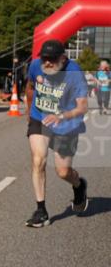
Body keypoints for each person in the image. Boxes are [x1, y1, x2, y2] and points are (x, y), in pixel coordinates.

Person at [23, 40, 89, 227]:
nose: (47, 63)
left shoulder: (74, 73)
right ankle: (41, 211)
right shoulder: (35, 66)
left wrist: (61, 116)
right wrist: (29, 112)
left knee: (63, 171)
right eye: (45, 58)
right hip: (40, 117)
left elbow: (82, 107)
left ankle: (79, 185)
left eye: (52, 59)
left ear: (63, 58)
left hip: (66, 123)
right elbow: (30, 87)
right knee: (38, 160)